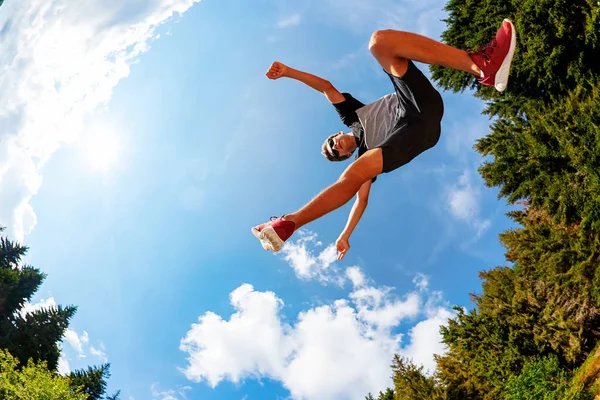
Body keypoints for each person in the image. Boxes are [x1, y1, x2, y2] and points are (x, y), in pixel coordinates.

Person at [252, 19, 517, 260]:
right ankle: (289, 223)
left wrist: (288, 71)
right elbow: (361, 200)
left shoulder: (351, 115)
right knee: (356, 173)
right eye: (336, 153)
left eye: (332, 143)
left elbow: (326, 87)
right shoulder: (365, 155)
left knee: (380, 42)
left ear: (337, 134)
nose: (336, 147)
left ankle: (481, 66)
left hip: (414, 103)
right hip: (416, 134)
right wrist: (345, 235)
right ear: (344, 155)